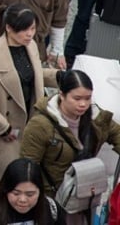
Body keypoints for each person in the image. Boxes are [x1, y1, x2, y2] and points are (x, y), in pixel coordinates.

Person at [0, 4, 59, 197]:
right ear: (9, 28)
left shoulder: (31, 46)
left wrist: (58, 77)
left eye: (32, 29)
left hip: (27, 123)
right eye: (24, 29)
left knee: (20, 184)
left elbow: (31, 74)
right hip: (1, 132)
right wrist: (4, 127)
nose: (29, 34)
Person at [20, 69, 120, 222]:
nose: (83, 104)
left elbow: (117, 134)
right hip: (52, 200)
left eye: (88, 98)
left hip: (84, 196)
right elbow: (28, 166)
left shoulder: (97, 119)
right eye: (77, 98)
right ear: (62, 95)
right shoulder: (40, 125)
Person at [0, 158, 66, 225]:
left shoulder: (52, 209)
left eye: (30, 194)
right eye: (16, 193)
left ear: (40, 192)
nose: (22, 199)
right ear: (5, 190)